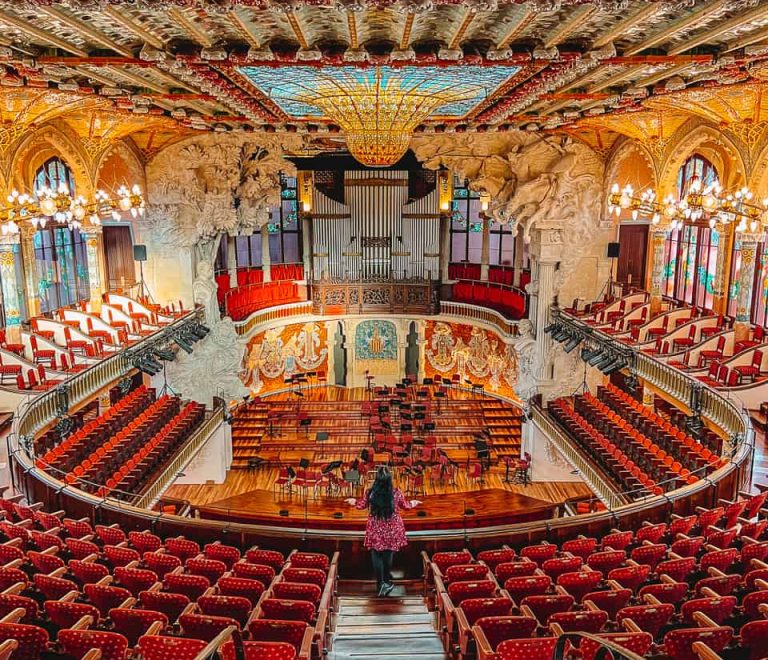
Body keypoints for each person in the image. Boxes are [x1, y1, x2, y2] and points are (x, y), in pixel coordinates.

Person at [346, 466, 420, 596]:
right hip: (392, 529)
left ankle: (380, 584)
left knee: (376, 555)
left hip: (376, 528)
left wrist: (353, 501)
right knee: (388, 555)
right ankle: (386, 581)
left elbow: (361, 505)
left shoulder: (370, 493)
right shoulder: (396, 493)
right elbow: (406, 506)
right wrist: (414, 502)